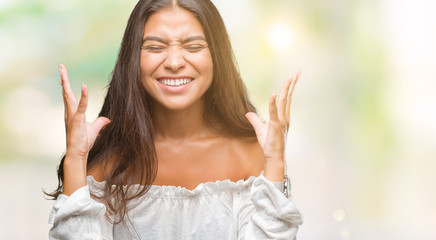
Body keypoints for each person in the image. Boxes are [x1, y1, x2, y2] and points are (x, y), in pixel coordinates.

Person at [46, 0, 303, 239]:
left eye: (193, 47)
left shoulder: (251, 155)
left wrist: (274, 163)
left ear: (217, 56)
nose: (175, 62)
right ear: (133, 59)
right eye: (155, 47)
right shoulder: (107, 162)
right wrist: (75, 159)